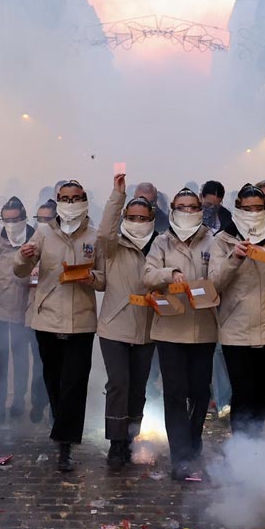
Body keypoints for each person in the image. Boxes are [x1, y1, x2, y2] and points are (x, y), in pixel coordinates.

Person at [14, 181, 105, 472]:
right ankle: (60, 427)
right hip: (47, 317)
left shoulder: (95, 236)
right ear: (57, 201)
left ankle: (65, 445)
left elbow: (104, 279)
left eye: (75, 198)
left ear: (85, 201)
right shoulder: (43, 233)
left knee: (74, 383)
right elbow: (20, 272)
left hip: (81, 319)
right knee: (53, 381)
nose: (70, 203)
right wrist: (22, 257)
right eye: (65, 198)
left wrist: (89, 277)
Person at [211, 184, 265, 435]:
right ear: (238, 208)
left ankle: (256, 447)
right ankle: (241, 449)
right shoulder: (223, 238)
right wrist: (234, 259)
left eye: (258, 208)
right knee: (242, 391)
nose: (253, 213)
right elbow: (215, 283)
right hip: (236, 327)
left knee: (261, 392)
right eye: (247, 208)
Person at [143, 188, 218, 480]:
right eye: (181, 207)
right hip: (170, 328)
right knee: (174, 394)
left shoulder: (214, 241)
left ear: (201, 210)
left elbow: (221, 277)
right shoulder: (161, 242)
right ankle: (180, 454)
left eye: (192, 207)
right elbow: (148, 275)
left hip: (203, 327)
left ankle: (193, 440)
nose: (187, 212)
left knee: (200, 392)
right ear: (172, 210)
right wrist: (170, 273)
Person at [96, 175, 157, 469]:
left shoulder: (159, 246)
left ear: (152, 218)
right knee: (118, 383)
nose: (136, 222)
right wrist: (117, 196)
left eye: (142, 217)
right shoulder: (114, 246)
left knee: (138, 387)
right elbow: (104, 232)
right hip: (114, 325)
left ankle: (131, 435)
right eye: (131, 217)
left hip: (147, 327)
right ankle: (115, 442)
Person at [0, 197, 36, 422]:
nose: (11, 224)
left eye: (15, 219)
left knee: (21, 356)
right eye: (6, 220)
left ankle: (19, 399)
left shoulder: (35, 237)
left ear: (24, 218)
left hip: (24, 305)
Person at [25, 200, 58, 423]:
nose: (43, 223)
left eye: (47, 219)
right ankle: (38, 402)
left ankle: (56, 407)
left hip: (58, 312)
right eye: (39, 219)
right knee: (39, 362)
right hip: (34, 311)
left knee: (57, 365)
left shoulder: (61, 242)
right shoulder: (32, 242)